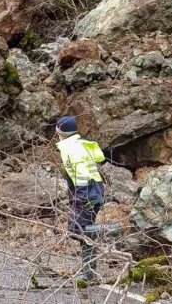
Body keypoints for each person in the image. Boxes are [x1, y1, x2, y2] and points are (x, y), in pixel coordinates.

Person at [55, 115, 107, 283]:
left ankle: (110, 231)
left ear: (60, 131)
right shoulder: (77, 144)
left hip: (87, 193)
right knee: (81, 231)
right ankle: (89, 274)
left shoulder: (71, 148)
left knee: (80, 231)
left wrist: (82, 198)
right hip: (93, 190)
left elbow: (82, 174)